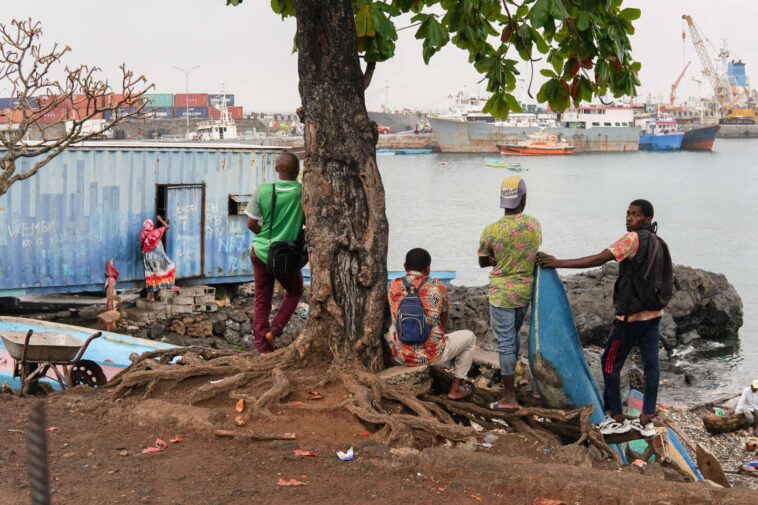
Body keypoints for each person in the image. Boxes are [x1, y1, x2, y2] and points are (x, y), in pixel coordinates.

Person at [537, 199, 664, 437]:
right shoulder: (658, 242)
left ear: (647, 219)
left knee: (609, 363)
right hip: (654, 314)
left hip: (630, 318)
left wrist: (558, 263)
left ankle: (615, 417)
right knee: (651, 367)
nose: (629, 218)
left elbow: (599, 259)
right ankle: (647, 419)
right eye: (627, 213)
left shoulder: (632, 239)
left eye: (635, 215)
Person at [478, 176, 541, 412]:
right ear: (523, 199)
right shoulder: (534, 225)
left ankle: (509, 398)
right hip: (525, 291)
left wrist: (493, 258)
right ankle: (513, 382)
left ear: (503, 200)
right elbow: (533, 251)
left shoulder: (492, 230)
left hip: (502, 294)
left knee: (505, 342)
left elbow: (483, 261)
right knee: (513, 337)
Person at [387, 248, 476, 400]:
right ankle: (454, 391)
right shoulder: (438, 285)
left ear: (404, 266)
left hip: (402, 355)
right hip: (432, 355)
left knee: (392, 324)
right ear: (427, 268)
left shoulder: (394, 285)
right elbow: (443, 319)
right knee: (470, 338)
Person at [246, 151, 305, 353]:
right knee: (295, 290)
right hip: (285, 256)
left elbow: (251, 223)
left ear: (276, 169)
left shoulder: (263, 190)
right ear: (298, 171)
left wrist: (263, 236)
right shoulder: (303, 192)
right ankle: (275, 331)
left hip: (260, 250)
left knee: (262, 301)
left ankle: (263, 349)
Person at [140, 216, 178, 301]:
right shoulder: (155, 233)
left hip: (147, 257)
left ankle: (152, 297)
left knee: (150, 275)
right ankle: (170, 285)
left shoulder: (143, 233)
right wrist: (160, 219)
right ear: (151, 225)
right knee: (170, 266)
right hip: (156, 256)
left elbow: (142, 242)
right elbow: (167, 227)